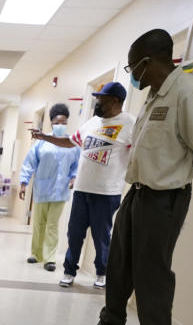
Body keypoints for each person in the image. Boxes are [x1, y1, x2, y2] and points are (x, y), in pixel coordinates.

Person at [77, 29, 193, 325]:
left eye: (132, 67)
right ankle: (112, 324)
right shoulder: (156, 95)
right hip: (138, 193)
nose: (133, 75)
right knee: (119, 261)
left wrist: (174, 174)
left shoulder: (187, 92)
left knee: (151, 270)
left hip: (164, 197)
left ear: (150, 61)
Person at [32, 82, 135, 288]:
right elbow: (70, 141)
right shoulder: (92, 122)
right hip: (82, 189)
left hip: (106, 192)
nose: (97, 103)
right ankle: (69, 272)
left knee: (101, 236)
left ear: (115, 100)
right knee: (74, 233)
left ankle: (101, 273)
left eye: (102, 99)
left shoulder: (131, 124)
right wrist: (44, 136)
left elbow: (138, 155)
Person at [19, 103, 81, 271]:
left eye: (64, 122)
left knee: (53, 225)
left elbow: (77, 165)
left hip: (61, 191)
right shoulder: (41, 143)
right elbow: (29, 163)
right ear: (51, 123)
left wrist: (74, 178)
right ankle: (36, 253)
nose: (61, 125)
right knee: (39, 223)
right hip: (42, 188)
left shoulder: (71, 144)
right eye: (57, 122)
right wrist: (24, 184)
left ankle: (50, 258)